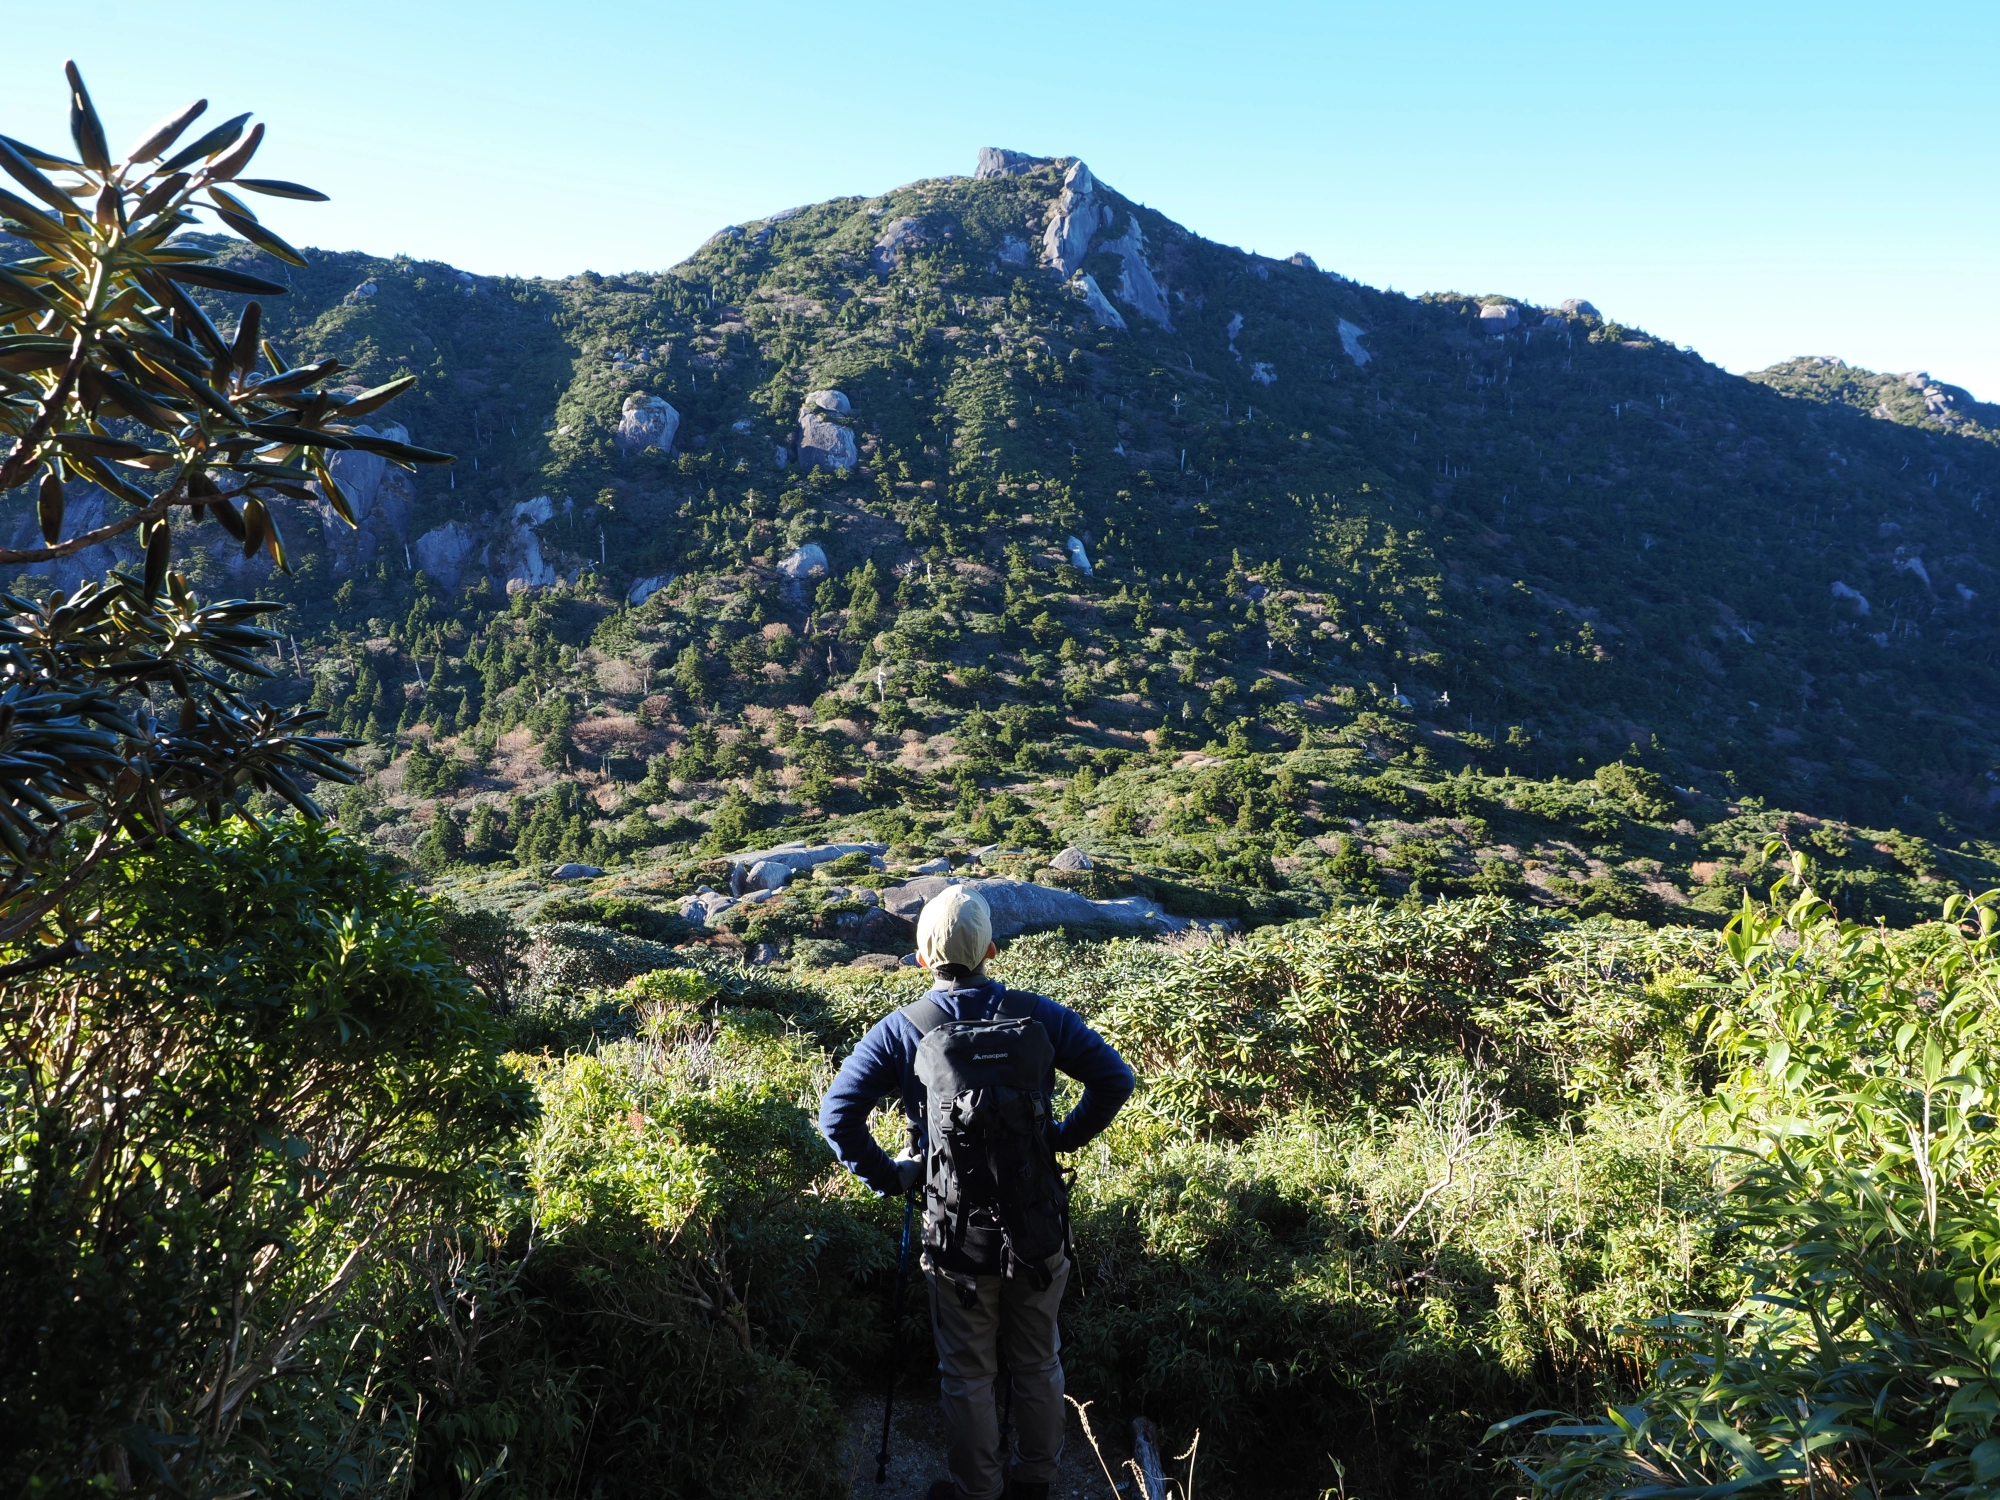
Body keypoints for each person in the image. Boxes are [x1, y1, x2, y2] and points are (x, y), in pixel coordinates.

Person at [819, 885, 1136, 1500]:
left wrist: (893, 1176)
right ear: (992, 950)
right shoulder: (1038, 1015)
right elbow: (1113, 1079)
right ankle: (1035, 1482)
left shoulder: (901, 1030)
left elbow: (838, 1119)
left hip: (956, 1231)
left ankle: (977, 1491)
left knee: (967, 1372)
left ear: (919, 958)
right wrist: (1061, 1140)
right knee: (1038, 1361)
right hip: (1038, 1223)